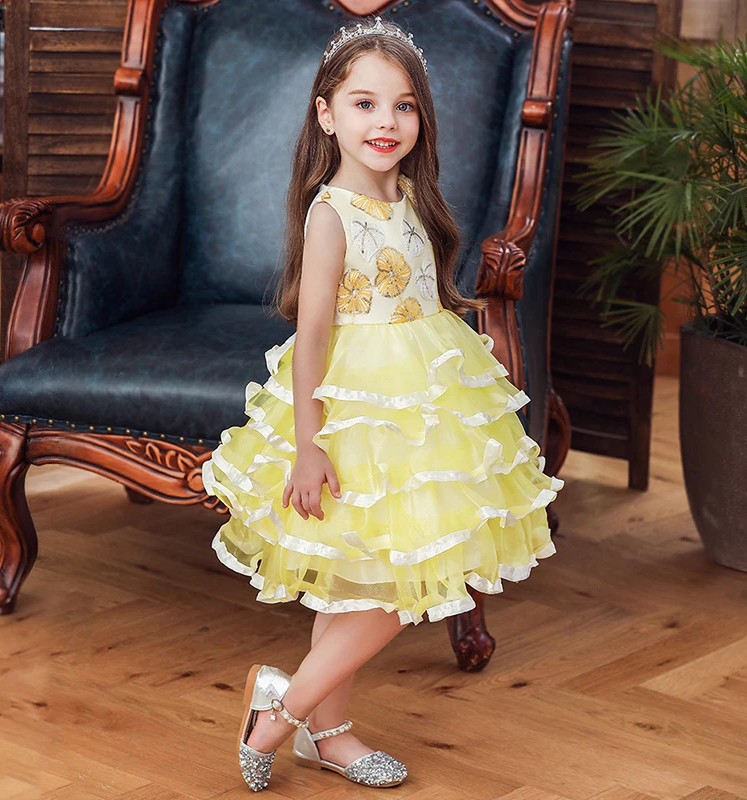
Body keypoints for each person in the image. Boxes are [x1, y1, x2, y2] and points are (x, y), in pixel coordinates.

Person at [201, 14, 564, 793]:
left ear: (421, 118)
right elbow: (312, 337)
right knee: (397, 582)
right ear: (326, 114)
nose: (385, 122)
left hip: (421, 405)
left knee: (363, 576)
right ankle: (282, 712)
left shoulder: (413, 201)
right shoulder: (330, 214)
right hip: (352, 408)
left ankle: (325, 733)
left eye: (403, 106)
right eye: (364, 103)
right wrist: (309, 445)